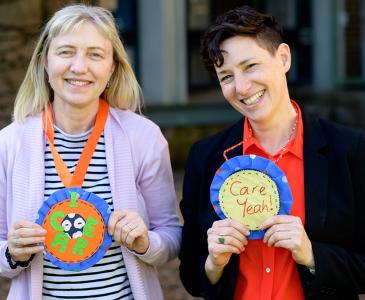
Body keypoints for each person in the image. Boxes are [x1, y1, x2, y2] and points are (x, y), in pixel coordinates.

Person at [179, 5, 365, 300]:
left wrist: (312, 255)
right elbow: (191, 274)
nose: (241, 87)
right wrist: (213, 263)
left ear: (283, 58)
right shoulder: (206, 156)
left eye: (250, 66)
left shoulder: (350, 150)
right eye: (226, 76)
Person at [0, 4, 181, 300]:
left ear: (112, 67)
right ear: (45, 61)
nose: (79, 67)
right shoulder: (9, 144)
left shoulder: (143, 138)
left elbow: (172, 239)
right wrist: (12, 252)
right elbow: (1, 253)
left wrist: (145, 242)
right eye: (66, 52)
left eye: (95, 54)